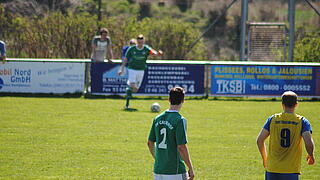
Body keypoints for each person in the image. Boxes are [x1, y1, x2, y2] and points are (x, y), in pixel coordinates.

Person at [256, 91, 315, 180]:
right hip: (290, 170)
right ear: (296, 104)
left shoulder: (272, 119)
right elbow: (309, 143)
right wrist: (311, 155)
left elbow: (259, 140)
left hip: (272, 168)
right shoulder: (302, 121)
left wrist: (265, 159)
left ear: (282, 104)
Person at [147, 87, 195, 180]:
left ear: (169, 99)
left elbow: (150, 143)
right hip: (175, 170)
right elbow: (181, 147)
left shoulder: (157, 118)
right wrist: (191, 168)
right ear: (183, 100)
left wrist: (158, 159)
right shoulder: (180, 120)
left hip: (158, 170)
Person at [118, 34, 163, 109]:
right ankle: (127, 104)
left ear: (143, 42)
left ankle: (128, 90)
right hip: (132, 69)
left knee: (135, 90)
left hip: (141, 70)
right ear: (137, 42)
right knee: (132, 85)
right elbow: (125, 59)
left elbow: (153, 53)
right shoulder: (132, 49)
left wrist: (158, 53)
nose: (140, 44)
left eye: (141, 42)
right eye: (139, 42)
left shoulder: (146, 48)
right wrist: (122, 69)